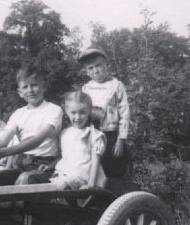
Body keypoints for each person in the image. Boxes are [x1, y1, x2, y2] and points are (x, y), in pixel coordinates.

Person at [0, 64, 62, 185]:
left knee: (25, 179)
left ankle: (17, 204)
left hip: (45, 166)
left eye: (34, 85)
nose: (30, 90)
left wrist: (5, 152)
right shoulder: (18, 114)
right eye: (25, 87)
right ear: (20, 92)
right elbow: (2, 142)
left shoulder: (53, 110)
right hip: (21, 165)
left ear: (44, 87)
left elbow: (37, 140)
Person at [79, 47, 133, 180]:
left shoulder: (116, 86)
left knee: (115, 169)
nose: (96, 70)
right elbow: (82, 113)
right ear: (86, 72)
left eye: (98, 65)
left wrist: (121, 140)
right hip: (92, 135)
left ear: (106, 65)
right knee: (94, 170)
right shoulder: (86, 89)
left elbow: (124, 114)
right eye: (90, 68)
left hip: (112, 136)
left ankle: (119, 198)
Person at [50, 91, 106, 190]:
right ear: (67, 111)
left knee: (62, 186)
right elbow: (65, 157)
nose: (77, 117)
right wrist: (50, 166)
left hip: (86, 178)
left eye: (82, 112)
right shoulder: (64, 133)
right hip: (68, 175)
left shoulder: (93, 134)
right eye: (73, 112)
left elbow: (95, 161)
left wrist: (90, 185)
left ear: (89, 112)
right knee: (56, 185)